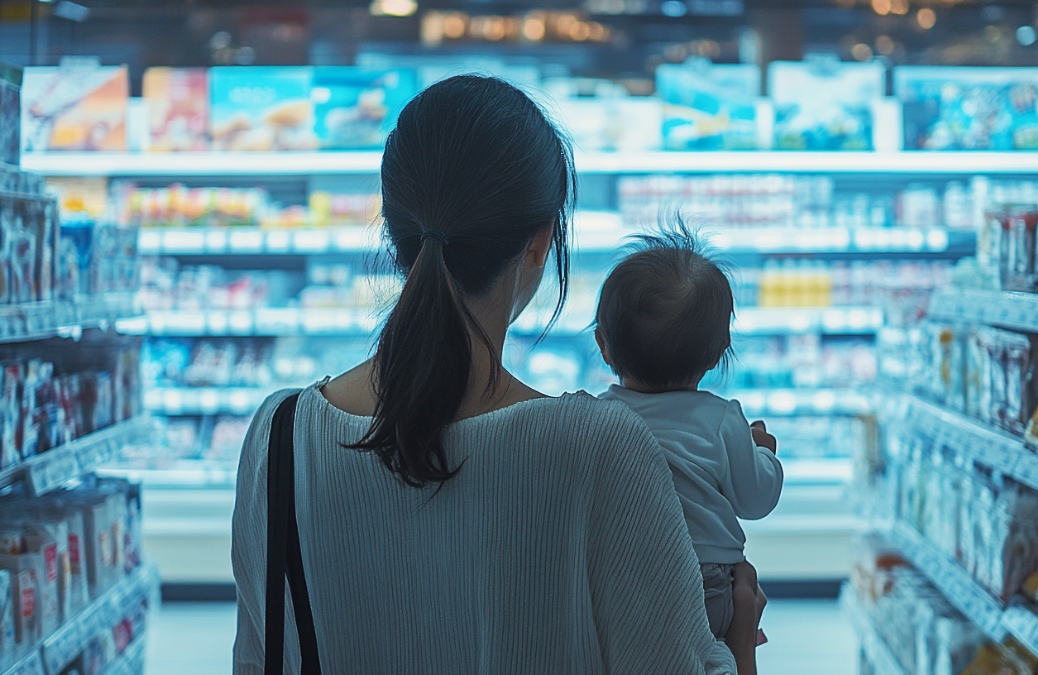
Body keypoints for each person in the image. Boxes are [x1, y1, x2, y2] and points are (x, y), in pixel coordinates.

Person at [231, 75, 764, 674]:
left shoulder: (279, 436)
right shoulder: (601, 446)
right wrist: (739, 639)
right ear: (540, 243)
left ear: (392, 229)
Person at [594, 223, 785, 673]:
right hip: (711, 585)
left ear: (603, 345)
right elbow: (756, 500)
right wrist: (765, 456)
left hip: (624, 579)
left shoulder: (596, 418)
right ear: (720, 353)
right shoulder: (722, 421)